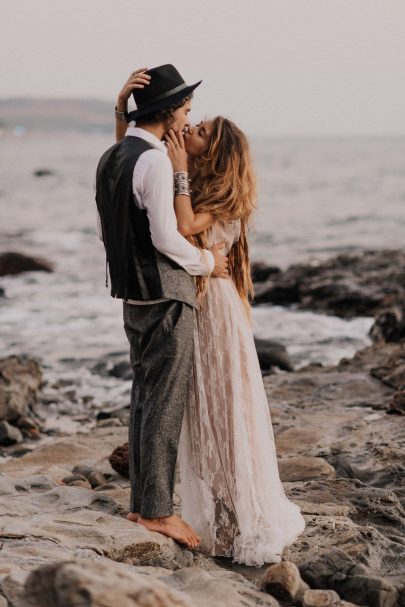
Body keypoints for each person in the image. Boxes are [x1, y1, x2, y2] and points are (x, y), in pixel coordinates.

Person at [115, 70, 306, 567]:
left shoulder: (223, 198)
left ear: (214, 151)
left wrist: (178, 168)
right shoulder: (184, 178)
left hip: (216, 310)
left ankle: (237, 511)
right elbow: (129, 163)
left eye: (199, 131)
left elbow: (180, 225)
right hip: (198, 302)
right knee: (201, 414)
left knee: (221, 409)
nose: (189, 127)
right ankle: (214, 510)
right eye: (190, 121)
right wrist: (125, 116)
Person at [96, 64, 228, 551]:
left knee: (145, 399)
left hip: (132, 294)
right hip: (167, 293)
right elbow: (166, 236)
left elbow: (109, 230)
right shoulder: (153, 162)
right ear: (170, 113)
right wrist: (206, 261)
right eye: (187, 110)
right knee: (165, 404)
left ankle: (140, 504)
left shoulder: (113, 156)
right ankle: (156, 512)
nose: (189, 118)